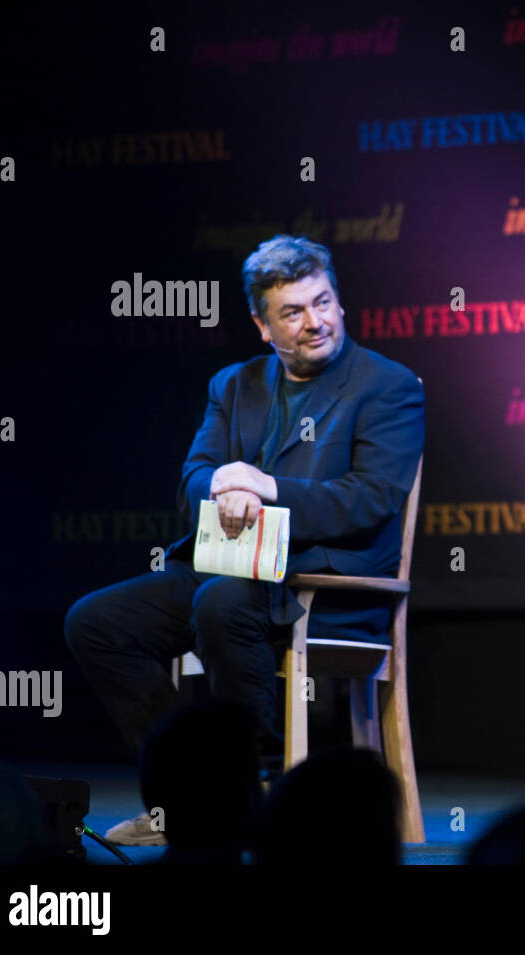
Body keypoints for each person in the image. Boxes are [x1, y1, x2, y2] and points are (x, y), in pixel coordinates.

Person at [65, 234, 425, 843]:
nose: (316, 322)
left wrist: (265, 486)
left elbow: (371, 499)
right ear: (263, 326)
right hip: (230, 568)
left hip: (324, 581)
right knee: (95, 622)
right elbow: (194, 480)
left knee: (222, 602)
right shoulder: (234, 386)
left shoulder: (386, 386)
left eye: (323, 302)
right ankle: (190, 796)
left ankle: (254, 791)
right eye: (293, 312)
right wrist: (225, 484)